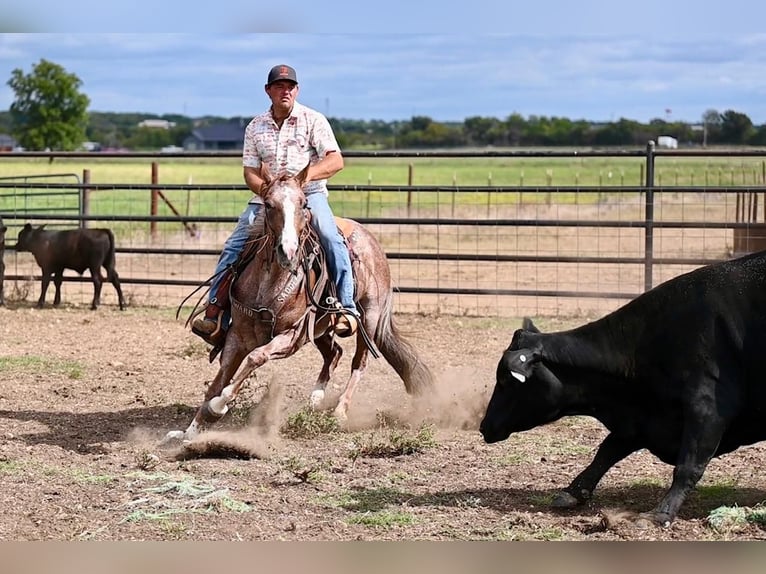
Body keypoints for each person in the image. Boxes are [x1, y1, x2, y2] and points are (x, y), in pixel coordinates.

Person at [192, 64, 359, 346]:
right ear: (268, 91)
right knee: (235, 244)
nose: (286, 91)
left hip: (307, 195)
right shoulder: (255, 127)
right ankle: (215, 311)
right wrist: (269, 193)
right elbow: (250, 172)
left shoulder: (313, 120)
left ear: (297, 90)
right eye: (280, 86)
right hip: (268, 200)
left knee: (331, 237)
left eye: (290, 86)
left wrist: (299, 182)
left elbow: (335, 160)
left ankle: (346, 308)